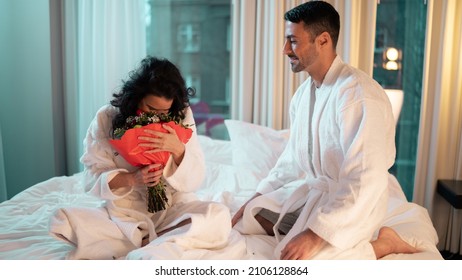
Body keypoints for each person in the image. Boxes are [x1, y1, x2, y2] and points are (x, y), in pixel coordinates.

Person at [231, 1, 418, 260]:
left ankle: (384, 243)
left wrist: (316, 234)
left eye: (293, 41)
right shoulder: (303, 95)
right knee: (251, 217)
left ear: (323, 40)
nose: (285, 50)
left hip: (353, 204)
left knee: (304, 263)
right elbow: (292, 158)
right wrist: (258, 195)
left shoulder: (358, 95)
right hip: (315, 196)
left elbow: (364, 179)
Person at [49, 56, 231, 259]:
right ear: (136, 96)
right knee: (63, 220)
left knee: (219, 216)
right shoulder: (107, 117)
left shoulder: (182, 114)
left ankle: (145, 243)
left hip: (173, 208)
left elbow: (196, 178)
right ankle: (157, 243)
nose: (158, 116)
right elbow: (91, 177)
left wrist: (178, 149)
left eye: (164, 112)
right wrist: (132, 179)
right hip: (126, 213)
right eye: (151, 109)